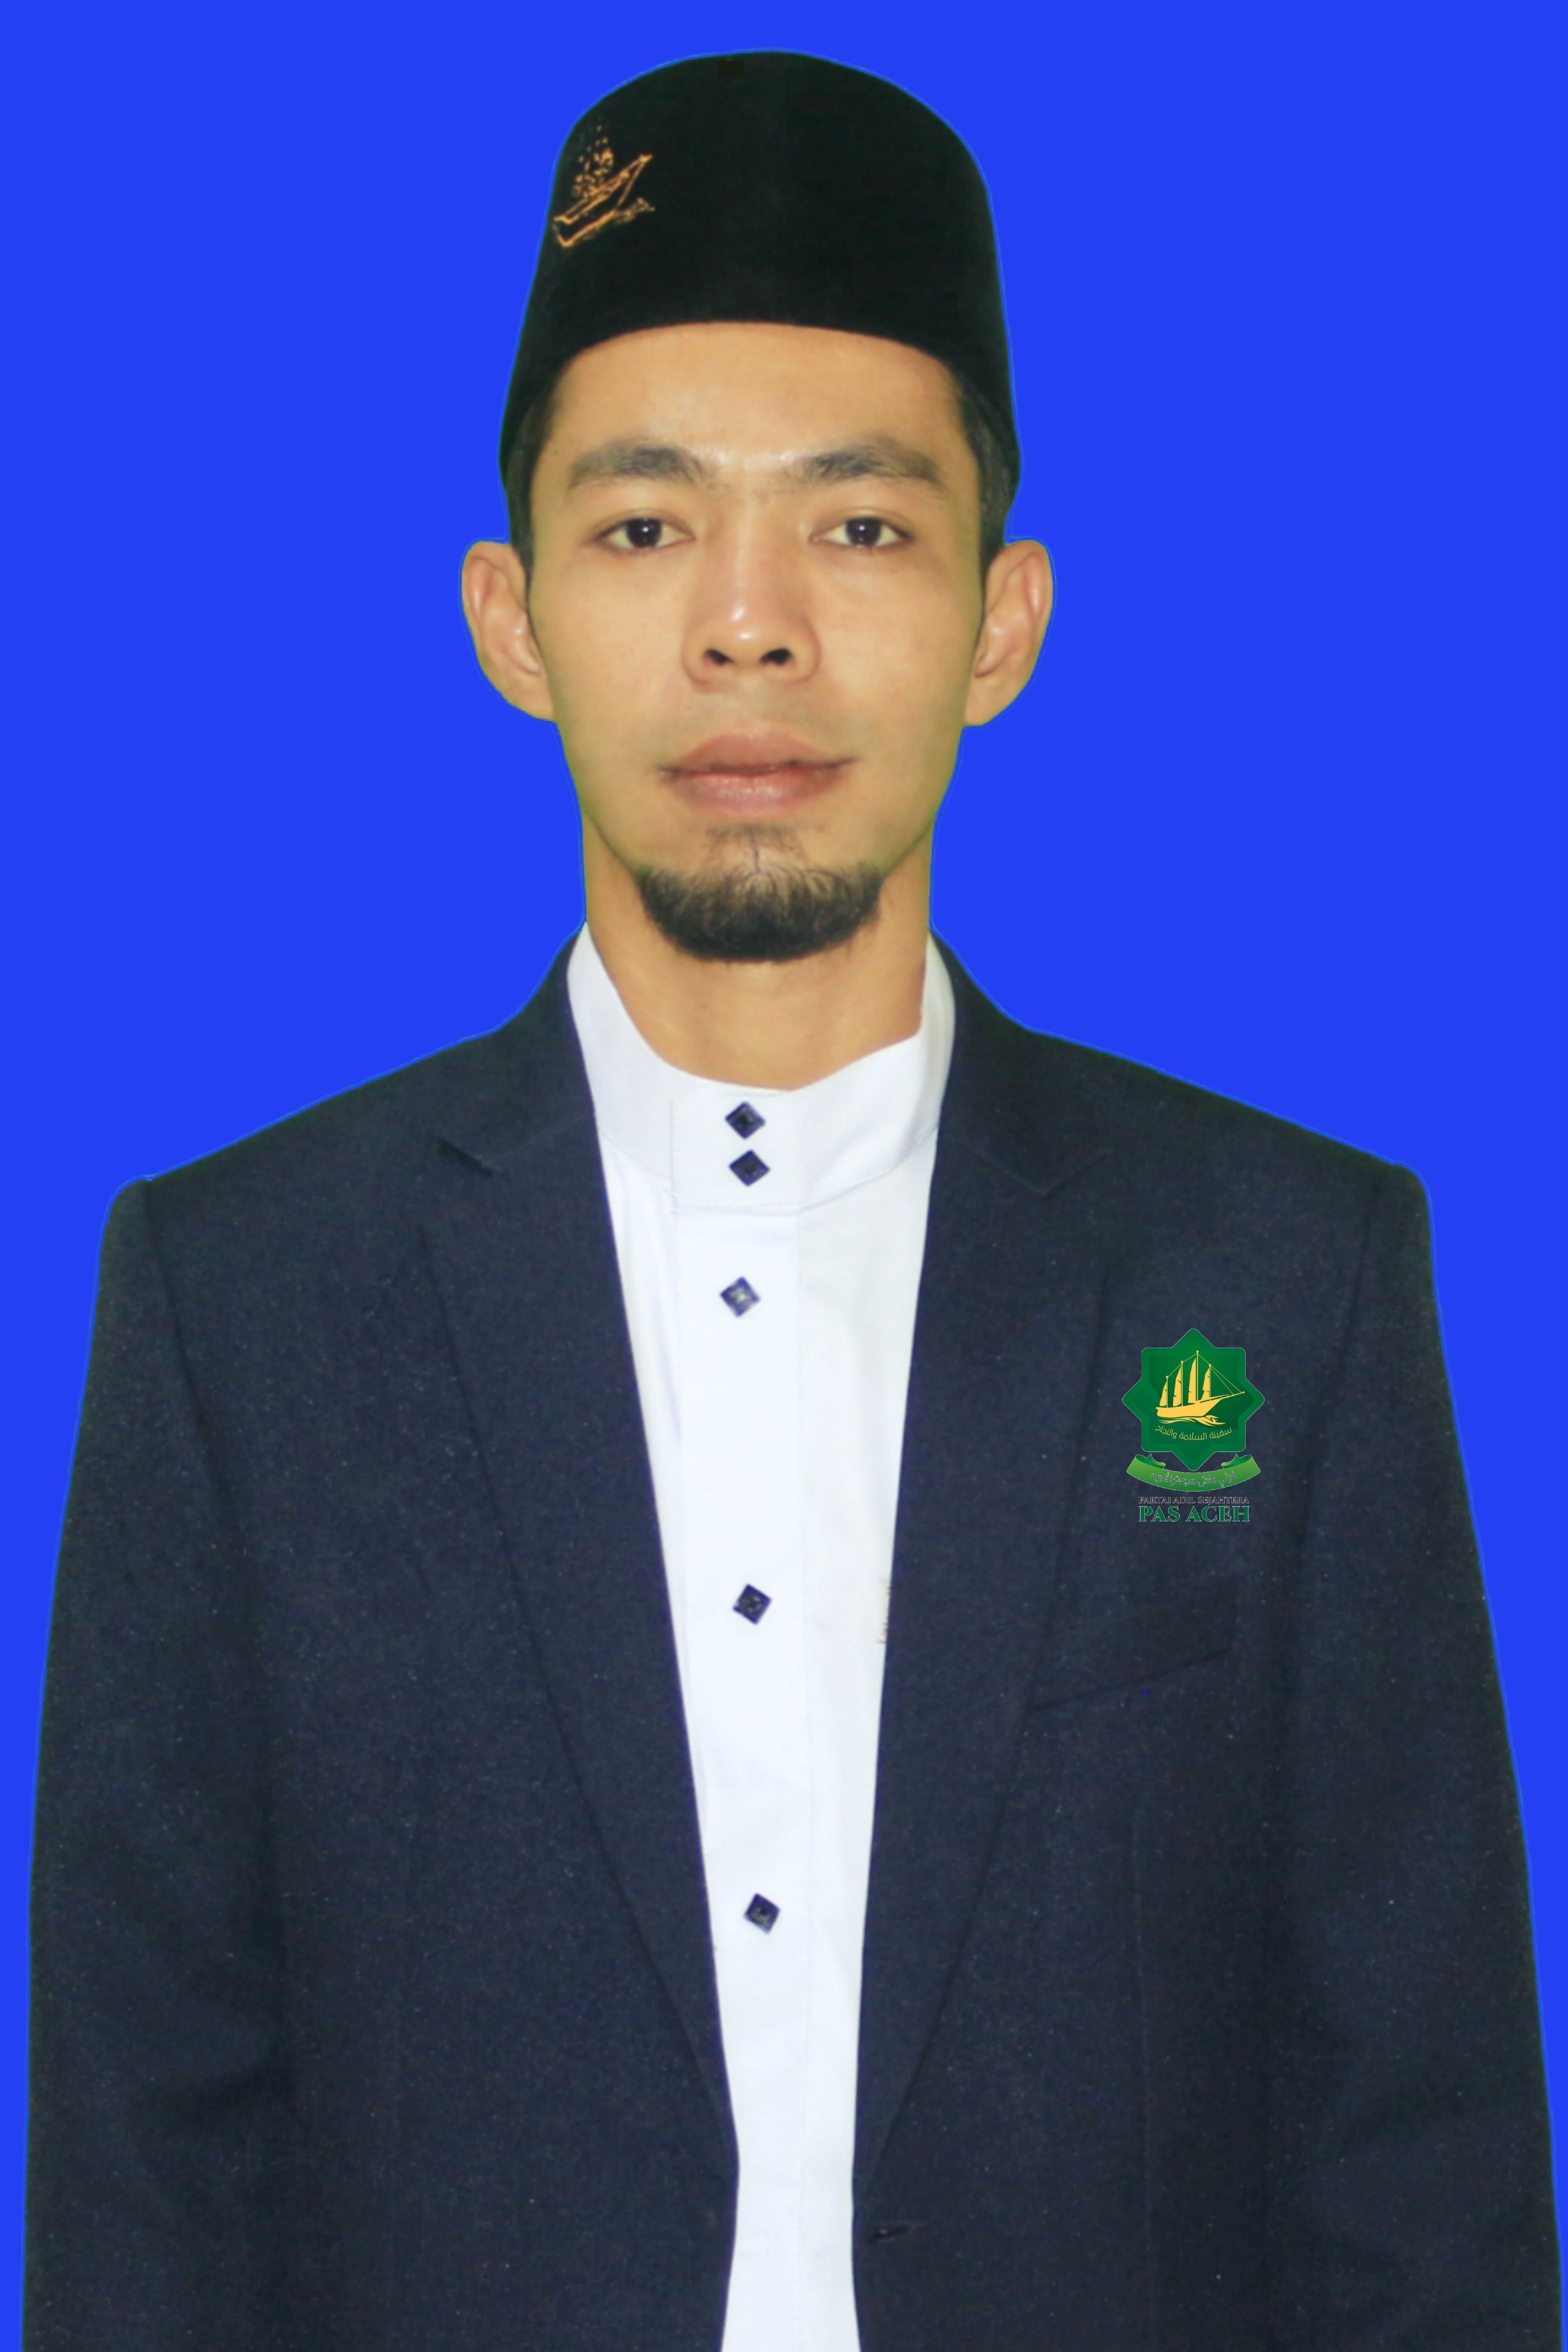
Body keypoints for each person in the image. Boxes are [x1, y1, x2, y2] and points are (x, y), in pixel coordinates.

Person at [23, 49, 1556, 2352]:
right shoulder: (242, 1300)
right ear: (511, 618)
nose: (750, 626)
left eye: (858, 525)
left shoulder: (1283, 1270)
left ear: (1002, 621)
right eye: (645, 526)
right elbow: (143, 2170)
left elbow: (1420, 2166)